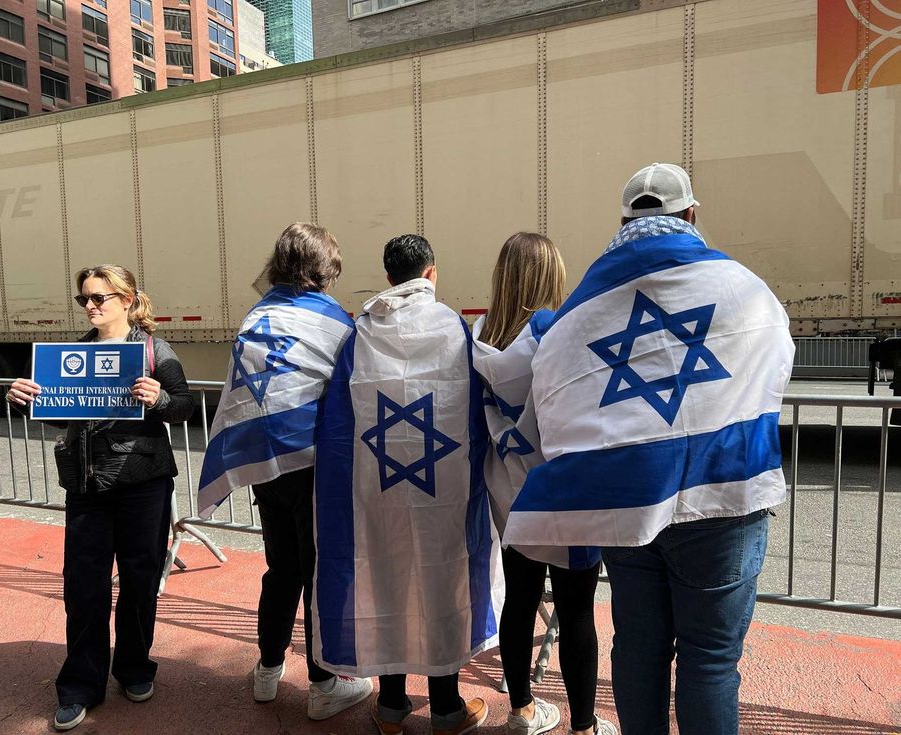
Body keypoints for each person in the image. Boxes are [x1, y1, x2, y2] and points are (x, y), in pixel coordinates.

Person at [504, 163, 795, 735]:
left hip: (629, 502)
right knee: (710, 661)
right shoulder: (742, 288)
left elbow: (553, 386)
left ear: (623, 221)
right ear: (692, 215)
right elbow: (772, 366)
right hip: (725, 494)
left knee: (638, 650)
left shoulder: (584, 309)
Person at [312, 234, 504, 735]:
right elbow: (478, 411)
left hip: (375, 485)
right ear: (431, 273)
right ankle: (445, 707)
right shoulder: (454, 330)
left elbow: (338, 423)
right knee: (442, 583)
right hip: (444, 486)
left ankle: (393, 706)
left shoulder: (361, 335)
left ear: (390, 276)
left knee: (387, 582)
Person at [6, 264, 195, 731]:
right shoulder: (73, 354)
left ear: (127, 300)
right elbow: (68, 418)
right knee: (83, 587)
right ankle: (79, 686)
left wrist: (160, 400)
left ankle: (133, 668)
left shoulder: (152, 348)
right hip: (87, 486)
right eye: (84, 299)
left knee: (138, 581)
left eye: (101, 298)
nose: (91, 306)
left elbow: (185, 406)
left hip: (142, 483)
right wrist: (30, 400)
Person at [196, 223, 372, 719]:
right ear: (325, 269)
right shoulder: (335, 322)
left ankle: (267, 672)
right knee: (318, 571)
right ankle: (322, 686)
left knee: (281, 571)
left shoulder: (257, 316)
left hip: (262, 461)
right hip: (313, 462)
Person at [473, 233, 616, 735]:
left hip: (510, 493)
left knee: (519, 598)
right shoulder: (557, 333)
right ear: (551, 277)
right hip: (563, 493)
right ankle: (583, 725)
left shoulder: (480, 338)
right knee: (577, 611)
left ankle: (522, 710)